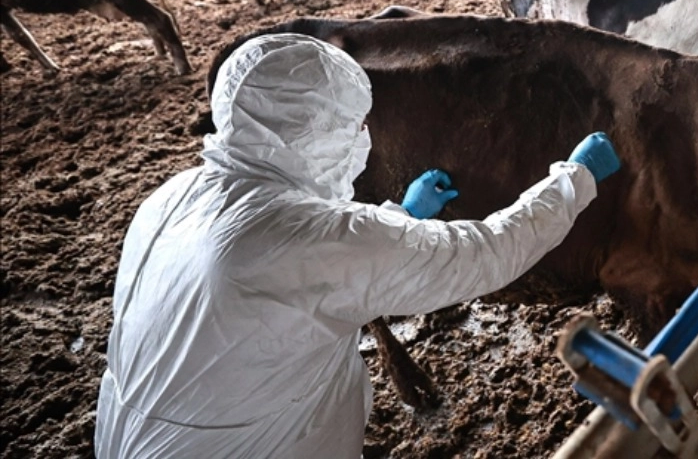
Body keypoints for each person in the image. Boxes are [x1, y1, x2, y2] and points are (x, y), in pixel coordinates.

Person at [95, 33, 621, 458]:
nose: (360, 137)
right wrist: (573, 179)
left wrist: (400, 217)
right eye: (348, 124)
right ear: (314, 129)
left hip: (124, 437)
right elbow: (487, 250)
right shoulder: (304, 239)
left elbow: (305, 259)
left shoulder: (172, 196)